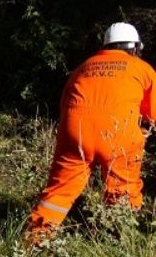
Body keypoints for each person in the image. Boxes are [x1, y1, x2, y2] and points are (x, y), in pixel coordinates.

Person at [26, 22, 156, 245]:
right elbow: (152, 113)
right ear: (135, 48)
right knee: (123, 190)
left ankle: (35, 240)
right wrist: (143, 130)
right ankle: (119, 240)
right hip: (119, 133)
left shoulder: (83, 67)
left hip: (75, 131)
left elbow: (65, 104)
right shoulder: (142, 69)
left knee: (60, 190)